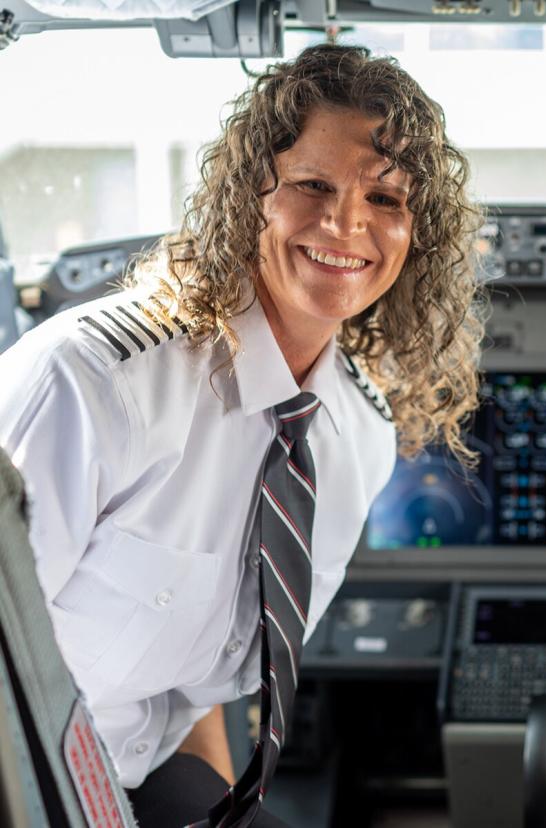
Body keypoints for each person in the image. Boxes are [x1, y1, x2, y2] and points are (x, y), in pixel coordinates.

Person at [0, 44, 484, 826]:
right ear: (250, 194)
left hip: (138, 772)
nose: (346, 224)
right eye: (312, 185)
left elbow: (196, 688)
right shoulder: (92, 385)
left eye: (386, 199)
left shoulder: (355, 435)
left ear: (416, 234)